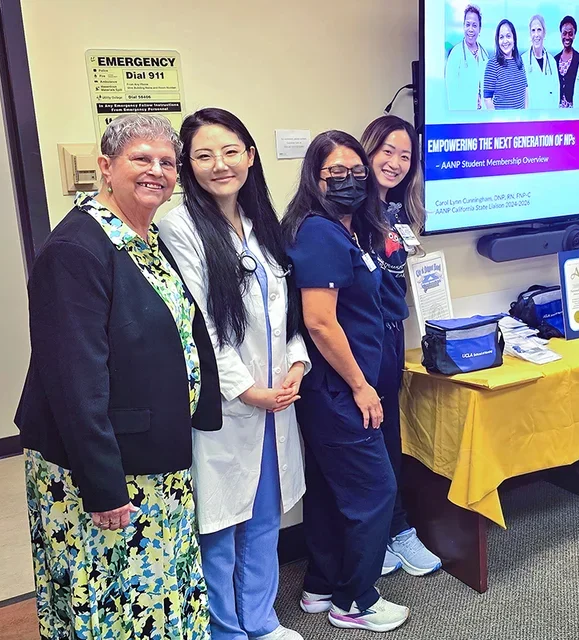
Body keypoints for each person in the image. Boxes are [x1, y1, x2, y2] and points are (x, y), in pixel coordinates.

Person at [15, 113, 222, 639]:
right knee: (113, 598)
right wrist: (103, 486)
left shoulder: (144, 238)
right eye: (141, 159)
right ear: (106, 167)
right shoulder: (75, 250)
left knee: (157, 592)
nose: (157, 171)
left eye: (167, 163)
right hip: (106, 468)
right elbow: (73, 381)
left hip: (154, 456)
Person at [159, 108, 311, 640]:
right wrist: (248, 390)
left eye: (229, 152)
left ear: (249, 155)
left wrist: (295, 365)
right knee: (219, 525)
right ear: (187, 165)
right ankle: (224, 630)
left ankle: (261, 621)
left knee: (264, 519)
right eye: (202, 155)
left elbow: (286, 309)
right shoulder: (178, 227)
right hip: (226, 406)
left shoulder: (261, 222)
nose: (218, 165)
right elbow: (200, 325)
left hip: (276, 403)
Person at [283, 130, 409, 632]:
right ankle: (354, 600)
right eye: (336, 173)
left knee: (337, 491)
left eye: (357, 172)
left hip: (336, 388)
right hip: (340, 389)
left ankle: (320, 585)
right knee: (375, 490)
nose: (351, 181)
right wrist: (361, 386)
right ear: (314, 177)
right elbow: (320, 321)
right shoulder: (318, 232)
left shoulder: (345, 229)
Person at [360, 115, 442, 578]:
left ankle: (397, 530)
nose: (395, 163)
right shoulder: (350, 212)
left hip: (393, 336)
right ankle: (385, 532)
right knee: (367, 444)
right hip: (360, 342)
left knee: (390, 439)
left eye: (405, 156)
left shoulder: (399, 213)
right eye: (386, 152)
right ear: (367, 151)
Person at [445, 4, 489, 111]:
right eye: (468, 24)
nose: (470, 29)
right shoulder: (455, 54)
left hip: (482, 115)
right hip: (462, 114)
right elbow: (450, 91)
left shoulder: (485, 55)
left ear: (480, 29)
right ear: (463, 26)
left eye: (474, 25)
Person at [483, 19, 527, 110]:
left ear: (514, 39)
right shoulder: (492, 64)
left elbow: (525, 90)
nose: (505, 41)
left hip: (520, 121)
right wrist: (498, 122)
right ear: (497, 41)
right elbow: (487, 99)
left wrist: (525, 117)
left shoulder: (519, 61)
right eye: (501, 37)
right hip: (502, 122)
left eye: (508, 36)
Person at [520, 14, 559, 109]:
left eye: (539, 30)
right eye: (533, 30)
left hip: (549, 117)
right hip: (530, 118)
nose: (536, 34)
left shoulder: (552, 62)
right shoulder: (522, 61)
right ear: (530, 34)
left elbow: (556, 92)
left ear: (544, 33)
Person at [555, 15, 579, 108]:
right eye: (564, 33)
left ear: (574, 35)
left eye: (570, 33)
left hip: (574, 109)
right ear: (561, 34)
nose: (567, 37)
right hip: (556, 109)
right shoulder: (554, 60)